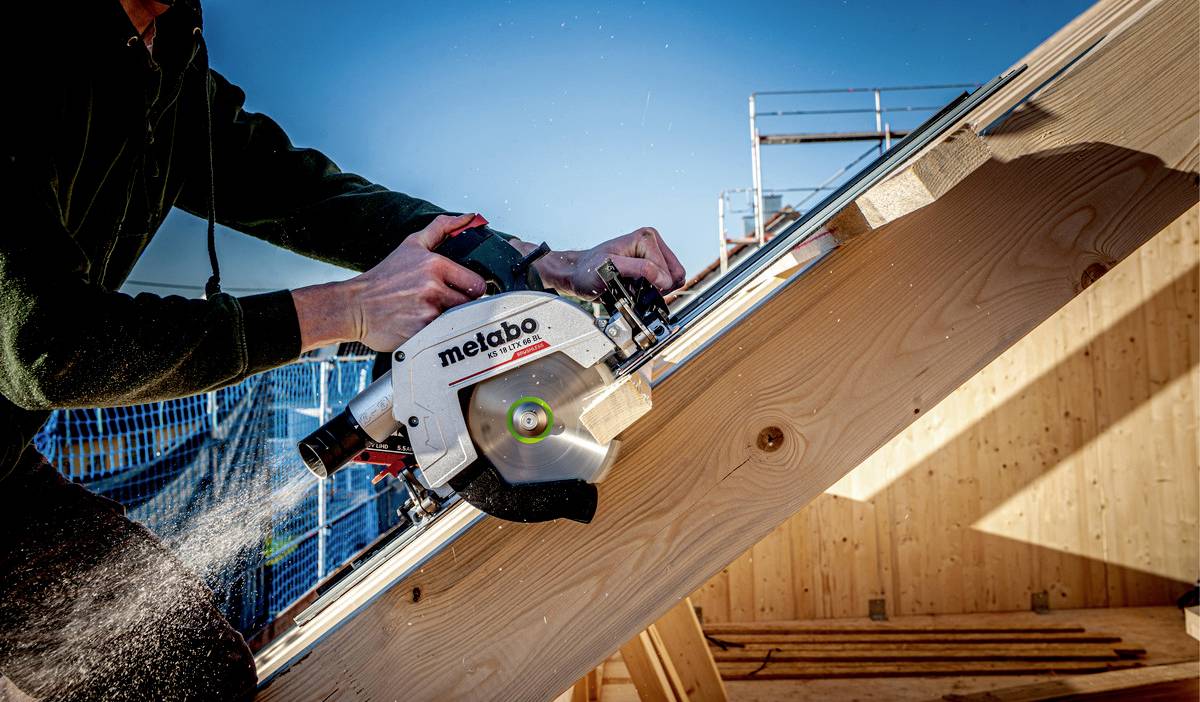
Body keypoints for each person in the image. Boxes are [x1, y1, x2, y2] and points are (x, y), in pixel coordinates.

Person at [0, 1, 686, 699]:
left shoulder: (167, 62)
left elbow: (316, 198)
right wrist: (345, 310)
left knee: (187, 674)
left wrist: (545, 265)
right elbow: (49, 347)